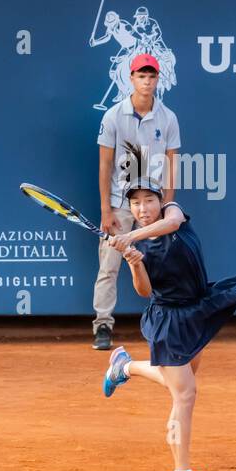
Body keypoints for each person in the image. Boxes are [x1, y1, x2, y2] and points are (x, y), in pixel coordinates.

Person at [100, 180, 236, 471]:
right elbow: (144, 291)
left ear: (161, 202)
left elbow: (172, 222)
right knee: (185, 394)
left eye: (149, 200)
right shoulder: (138, 248)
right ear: (130, 209)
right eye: (135, 203)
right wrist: (134, 262)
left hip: (198, 310)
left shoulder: (173, 214)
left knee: (179, 383)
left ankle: (125, 367)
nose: (143, 207)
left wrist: (129, 236)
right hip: (170, 319)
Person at [93, 52, 180, 350]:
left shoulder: (168, 118)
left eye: (151, 76)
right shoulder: (113, 116)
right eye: (141, 76)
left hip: (154, 208)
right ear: (131, 78)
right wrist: (106, 208)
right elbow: (105, 165)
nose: (146, 81)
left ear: (158, 79)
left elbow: (172, 164)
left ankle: (167, 320)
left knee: (163, 265)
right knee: (110, 266)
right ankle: (103, 325)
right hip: (120, 205)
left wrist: (168, 205)